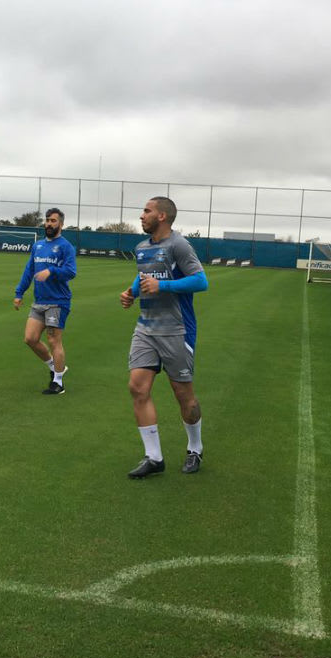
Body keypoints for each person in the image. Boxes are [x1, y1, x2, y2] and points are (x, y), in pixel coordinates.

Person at [120, 197, 209, 477]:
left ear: (161, 216)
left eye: (146, 211)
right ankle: (154, 457)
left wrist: (164, 285)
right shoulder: (142, 247)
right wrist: (132, 292)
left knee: (184, 395)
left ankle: (195, 447)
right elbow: (144, 275)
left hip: (176, 329)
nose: (141, 215)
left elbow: (200, 280)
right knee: (137, 387)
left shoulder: (179, 245)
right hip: (146, 327)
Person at [13, 208, 77, 394]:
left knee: (53, 340)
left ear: (61, 224)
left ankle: (58, 383)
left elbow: (71, 272)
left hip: (58, 302)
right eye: (47, 220)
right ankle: (55, 367)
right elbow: (29, 271)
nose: (49, 224)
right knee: (30, 338)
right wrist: (19, 293)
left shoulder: (66, 247)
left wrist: (52, 271)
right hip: (39, 300)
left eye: (53, 221)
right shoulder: (38, 246)